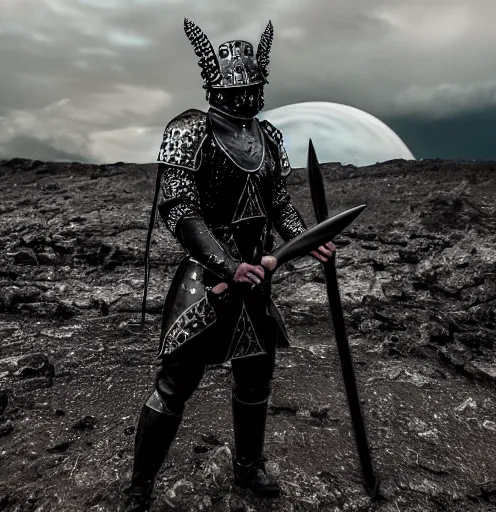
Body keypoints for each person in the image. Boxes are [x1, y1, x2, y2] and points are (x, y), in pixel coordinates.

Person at [122, 18, 336, 512]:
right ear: (223, 86)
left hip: (256, 281)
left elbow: (278, 199)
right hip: (207, 282)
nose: (253, 95)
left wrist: (306, 239)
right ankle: (139, 486)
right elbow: (180, 209)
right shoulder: (190, 131)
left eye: (257, 87)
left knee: (256, 378)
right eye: (247, 88)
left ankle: (247, 466)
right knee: (175, 384)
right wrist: (224, 264)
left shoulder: (268, 137)